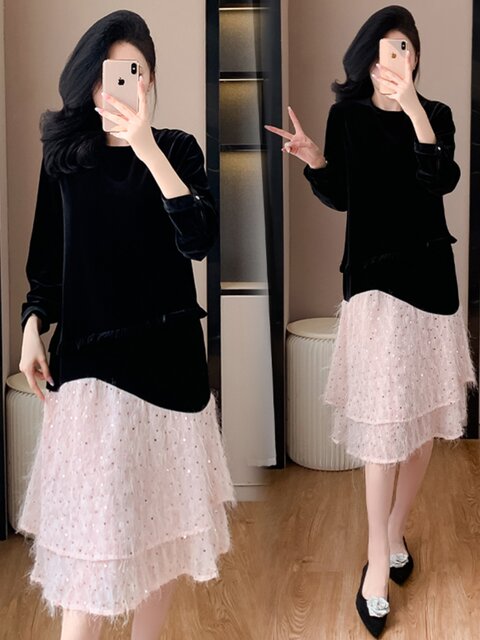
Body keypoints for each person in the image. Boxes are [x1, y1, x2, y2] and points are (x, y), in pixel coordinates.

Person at [17, 10, 235, 640]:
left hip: (170, 373)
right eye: (107, 72)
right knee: (92, 554)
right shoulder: (64, 158)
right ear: (90, 79)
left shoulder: (177, 150)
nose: (116, 84)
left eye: (132, 71)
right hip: (91, 374)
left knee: (160, 540)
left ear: (150, 79)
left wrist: (146, 149)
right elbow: (45, 267)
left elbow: (200, 239)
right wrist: (32, 327)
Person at [266, 5, 474, 637]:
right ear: (369, 58)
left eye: (406, 46)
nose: (396, 56)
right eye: (386, 47)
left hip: (430, 285)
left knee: (421, 425)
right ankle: (377, 563)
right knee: (384, 429)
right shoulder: (348, 116)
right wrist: (314, 159)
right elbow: (344, 196)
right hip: (374, 286)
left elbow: (440, 179)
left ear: (416, 57)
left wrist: (413, 110)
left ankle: (393, 531)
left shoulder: (435, 115)